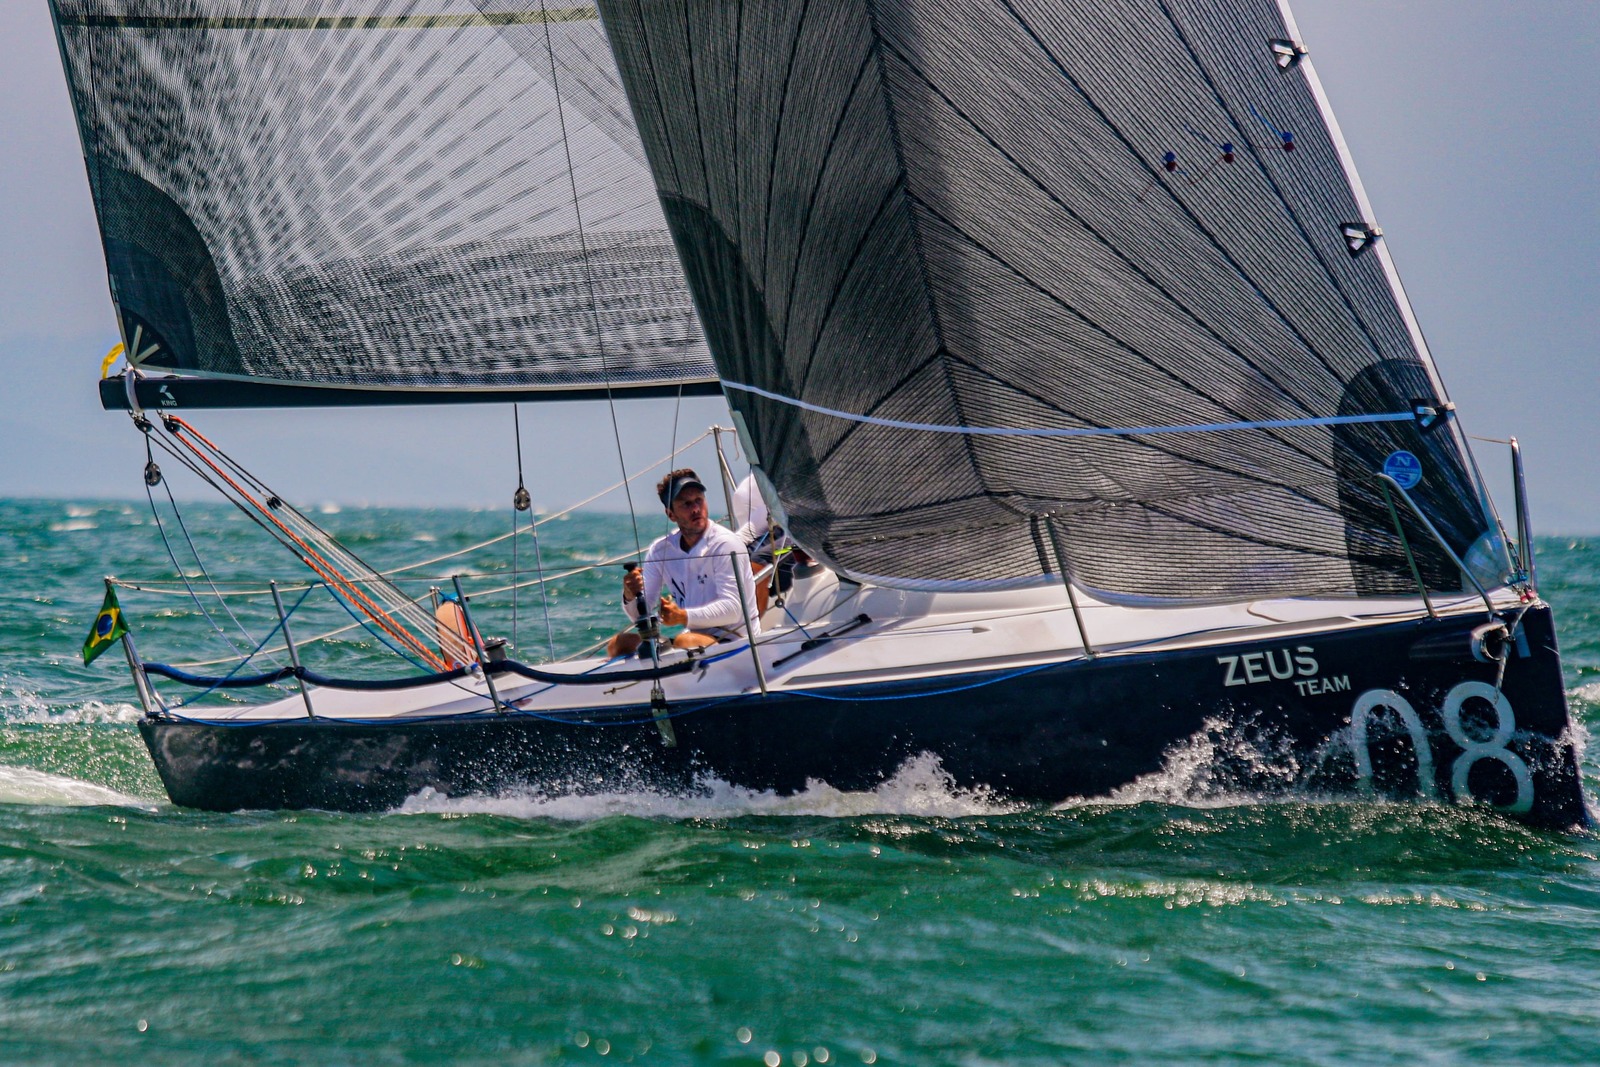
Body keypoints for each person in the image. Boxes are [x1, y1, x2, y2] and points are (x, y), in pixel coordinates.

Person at [607, 469, 761, 657]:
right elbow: (641, 614)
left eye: (699, 500)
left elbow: (733, 610)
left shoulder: (725, 544)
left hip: (736, 641)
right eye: (686, 504)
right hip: (693, 638)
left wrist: (682, 616)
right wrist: (630, 595)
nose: (696, 509)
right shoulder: (660, 550)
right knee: (618, 644)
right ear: (671, 514)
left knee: (683, 641)